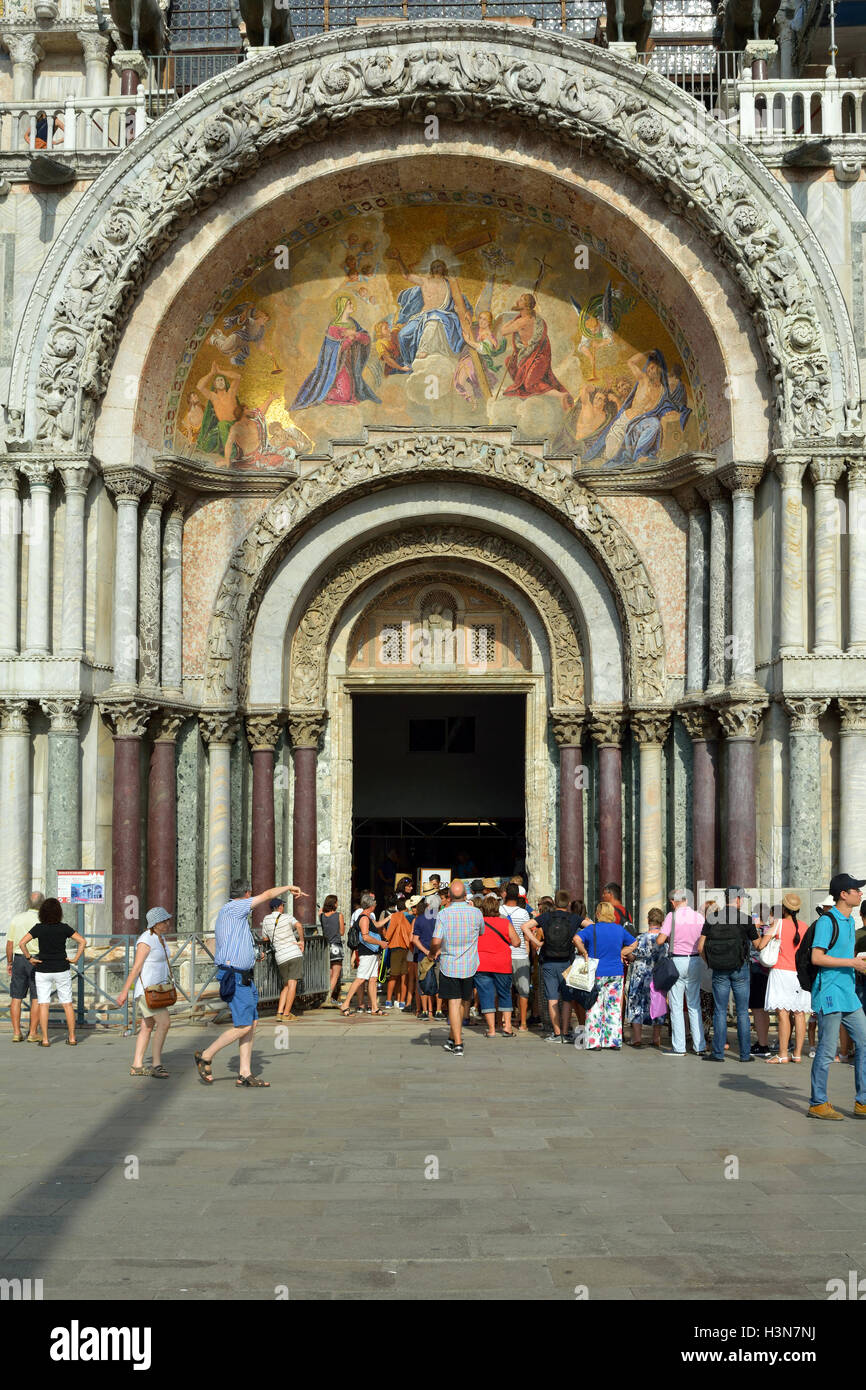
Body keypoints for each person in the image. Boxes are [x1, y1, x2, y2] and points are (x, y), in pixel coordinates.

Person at [194, 879, 304, 1088]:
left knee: (250, 1024)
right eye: (250, 896)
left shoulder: (234, 916)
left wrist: (253, 956)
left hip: (244, 974)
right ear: (247, 894)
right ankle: (206, 1055)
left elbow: (237, 943)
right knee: (244, 1025)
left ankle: (245, 1073)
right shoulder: (235, 907)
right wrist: (289, 888)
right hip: (235, 976)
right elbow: (268, 894)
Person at [808, 874, 866, 1120]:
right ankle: (818, 1102)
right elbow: (817, 958)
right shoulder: (827, 921)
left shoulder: (850, 922)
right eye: (857, 890)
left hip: (849, 994)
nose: (860, 894)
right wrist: (852, 962)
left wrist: (857, 962)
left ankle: (862, 1101)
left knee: (864, 1042)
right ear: (844, 894)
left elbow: (844, 956)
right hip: (830, 992)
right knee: (827, 1049)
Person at [698, 889, 773, 1064]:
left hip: (719, 970)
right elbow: (758, 945)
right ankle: (745, 1055)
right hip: (741, 970)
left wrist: (710, 962)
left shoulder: (712, 918)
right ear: (738, 900)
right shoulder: (746, 920)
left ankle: (718, 1053)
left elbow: (700, 947)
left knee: (720, 1011)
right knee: (742, 1012)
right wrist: (770, 932)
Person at [17, 897, 85, 1047]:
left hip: (43, 969)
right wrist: (75, 958)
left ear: (42, 913)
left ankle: (46, 1039)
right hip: (62, 968)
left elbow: (21, 943)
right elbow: (82, 941)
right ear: (59, 912)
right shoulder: (64, 927)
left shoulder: (38, 928)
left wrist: (29, 958)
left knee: (44, 1004)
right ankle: (72, 1037)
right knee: (67, 1003)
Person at [428, 879, 485, 1056]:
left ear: (449, 896)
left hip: (450, 964)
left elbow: (436, 940)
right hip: (469, 964)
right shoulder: (476, 913)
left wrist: (432, 952)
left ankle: (458, 1043)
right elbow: (481, 932)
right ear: (466, 895)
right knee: (462, 1001)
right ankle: (453, 1037)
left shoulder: (444, 914)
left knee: (453, 1002)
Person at [117, 906, 174, 1077]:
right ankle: (156, 1064)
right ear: (155, 924)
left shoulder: (160, 937)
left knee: (147, 1026)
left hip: (159, 989)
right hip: (148, 991)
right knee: (164, 1023)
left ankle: (137, 1065)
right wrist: (124, 992)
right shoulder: (146, 940)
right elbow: (136, 968)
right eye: (164, 921)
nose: (167, 923)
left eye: (167, 920)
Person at [574, 903, 636, 1050]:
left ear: (598, 914)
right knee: (613, 1007)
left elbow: (576, 939)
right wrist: (622, 952)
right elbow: (634, 943)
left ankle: (594, 1042)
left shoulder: (592, 929)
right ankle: (613, 1041)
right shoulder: (619, 929)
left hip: (597, 972)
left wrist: (584, 952)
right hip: (616, 972)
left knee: (595, 1007)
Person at [656, 888, 707, 1057]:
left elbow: (660, 940)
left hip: (677, 961)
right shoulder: (699, 917)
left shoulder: (672, 916)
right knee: (694, 1004)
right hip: (695, 960)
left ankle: (679, 1047)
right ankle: (699, 1045)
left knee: (677, 1005)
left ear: (673, 901)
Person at [764, 893, 811, 1065]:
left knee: (783, 1014)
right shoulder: (805, 926)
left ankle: (783, 1054)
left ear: (783, 909)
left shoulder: (779, 924)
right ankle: (797, 1054)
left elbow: (762, 944)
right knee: (799, 1014)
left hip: (781, 972)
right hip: (799, 974)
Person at [532, 890, 582, 1040]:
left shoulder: (546, 917)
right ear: (568, 904)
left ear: (554, 903)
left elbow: (525, 926)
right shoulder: (573, 918)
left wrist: (538, 942)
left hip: (548, 962)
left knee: (552, 998)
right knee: (567, 999)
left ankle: (557, 1032)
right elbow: (592, 926)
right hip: (567, 962)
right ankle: (566, 1032)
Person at [475, 894, 520, 1037]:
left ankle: (492, 1030)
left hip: (482, 963)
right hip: (502, 963)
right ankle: (507, 1028)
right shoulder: (505, 923)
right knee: (505, 994)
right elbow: (516, 942)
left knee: (486, 995)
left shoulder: (478, 923)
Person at [624, 906, 667, 1048]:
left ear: (648, 920)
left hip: (640, 975)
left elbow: (632, 955)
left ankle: (637, 1038)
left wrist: (629, 957)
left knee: (636, 1003)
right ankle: (656, 1038)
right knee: (657, 1004)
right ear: (661, 922)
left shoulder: (640, 938)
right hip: (657, 975)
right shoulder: (664, 939)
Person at [6, 890, 45, 1043]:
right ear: (42, 903)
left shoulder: (17, 918)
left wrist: (9, 962)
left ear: (28, 903)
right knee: (36, 997)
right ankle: (33, 1033)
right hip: (37, 959)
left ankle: (16, 1032)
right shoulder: (43, 920)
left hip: (19, 959)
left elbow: (9, 944)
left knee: (16, 997)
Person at [340, 892, 385, 1015]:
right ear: (371, 906)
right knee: (360, 979)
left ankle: (374, 1007)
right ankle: (345, 1004)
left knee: (373, 979)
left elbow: (377, 924)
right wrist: (380, 943)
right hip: (366, 953)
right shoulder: (364, 918)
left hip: (372, 952)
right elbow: (365, 937)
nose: (375, 905)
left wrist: (389, 917)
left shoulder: (368, 917)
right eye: (374, 904)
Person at [261, 895, 304, 1022]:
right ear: (280, 907)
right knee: (292, 985)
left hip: (280, 956)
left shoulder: (266, 919)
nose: (283, 907)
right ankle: (286, 1014)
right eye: (283, 905)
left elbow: (265, 939)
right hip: (293, 953)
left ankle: (279, 1012)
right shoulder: (287, 917)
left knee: (285, 985)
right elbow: (299, 926)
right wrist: (301, 941)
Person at [501, 881, 533, 1033]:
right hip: (520, 954)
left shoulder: (499, 910)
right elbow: (527, 936)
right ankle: (523, 1023)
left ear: (505, 894)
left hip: (503, 954)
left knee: (503, 988)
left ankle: (502, 1020)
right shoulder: (523, 913)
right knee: (523, 990)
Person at [749, 902, 774, 1057]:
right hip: (770, 971)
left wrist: (755, 927)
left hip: (757, 969)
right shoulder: (772, 929)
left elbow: (755, 948)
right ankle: (763, 1041)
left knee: (758, 1009)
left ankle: (763, 1044)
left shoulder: (757, 930)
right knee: (763, 1010)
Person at [409, 895, 439, 1020]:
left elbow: (414, 940)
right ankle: (438, 1010)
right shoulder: (441, 918)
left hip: (423, 955)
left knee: (423, 983)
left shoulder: (419, 919)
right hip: (438, 955)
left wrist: (427, 952)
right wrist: (438, 952)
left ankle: (425, 1011)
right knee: (438, 983)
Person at [384, 897, 413, 1010]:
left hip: (395, 947)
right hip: (407, 947)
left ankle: (388, 1000)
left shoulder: (394, 916)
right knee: (404, 976)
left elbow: (388, 933)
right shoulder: (410, 917)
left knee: (393, 975)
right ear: (406, 907)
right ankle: (402, 1001)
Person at [319, 895, 345, 1006]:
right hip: (336, 946)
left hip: (326, 946)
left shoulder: (322, 916)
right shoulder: (339, 915)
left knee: (329, 973)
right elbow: (342, 932)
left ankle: (326, 996)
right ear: (334, 903)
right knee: (336, 974)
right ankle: (328, 997)